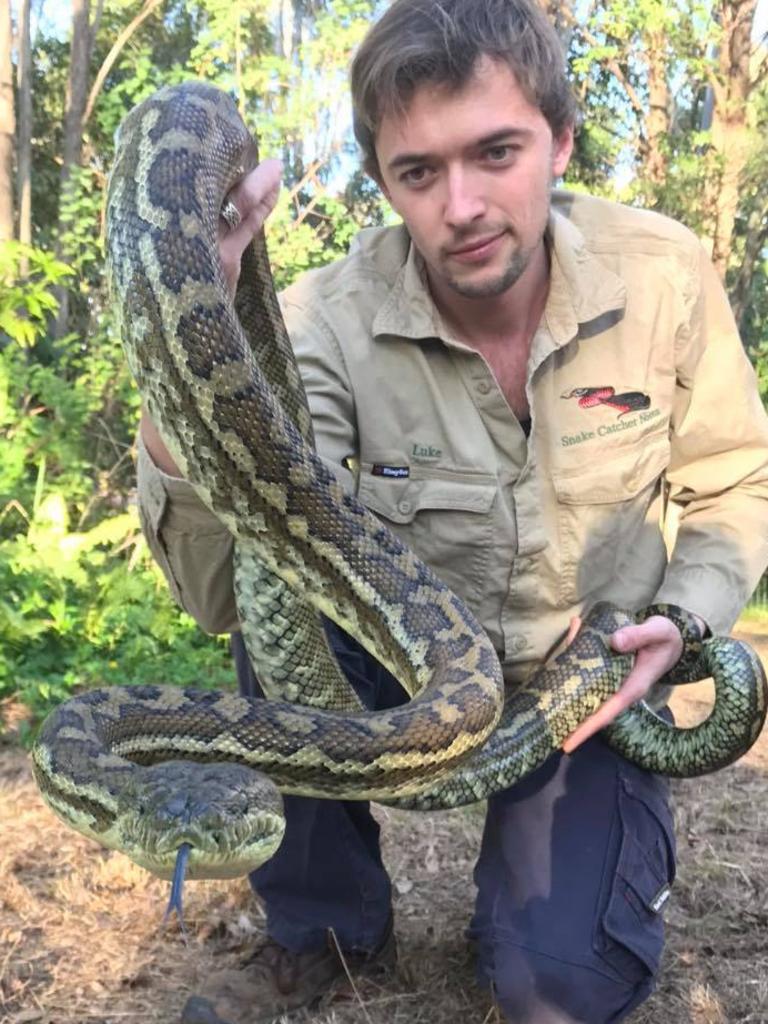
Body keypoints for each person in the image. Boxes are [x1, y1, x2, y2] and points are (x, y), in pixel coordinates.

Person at [136, 0, 768, 1020]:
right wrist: (181, 353)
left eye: (496, 152)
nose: (462, 204)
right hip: (401, 673)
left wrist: (687, 620)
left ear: (560, 140)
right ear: (382, 182)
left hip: (582, 688)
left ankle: (532, 914)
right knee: (283, 597)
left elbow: (735, 479)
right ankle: (321, 921)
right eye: (419, 172)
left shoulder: (663, 274)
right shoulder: (318, 325)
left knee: (561, 985)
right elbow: (223, 591)